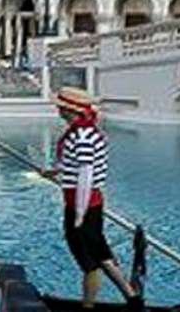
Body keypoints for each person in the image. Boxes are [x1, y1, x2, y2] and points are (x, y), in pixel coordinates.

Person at [50, 87, 137, 307]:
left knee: (88, 260)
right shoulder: (85, 133)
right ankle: (132, 297)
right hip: (87, 201)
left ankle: (88, 305)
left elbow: (86, 177)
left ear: (71, 110)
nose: (58, 109)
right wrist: (56, 170)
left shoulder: (82, 137)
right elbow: (76, 165)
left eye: (61, 106)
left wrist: (79, 214)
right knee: (100, 252)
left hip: (83, 203)